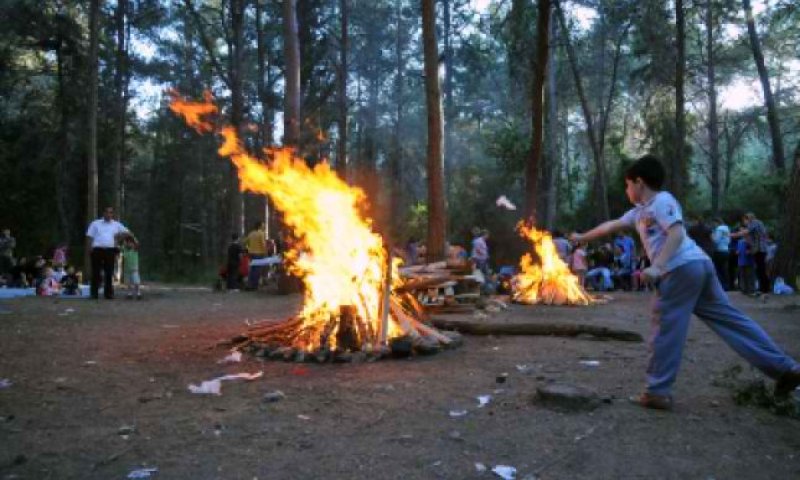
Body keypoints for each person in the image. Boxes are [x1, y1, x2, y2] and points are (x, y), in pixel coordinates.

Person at [570, 154, 800, 410]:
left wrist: (658, 266)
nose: (626, 190)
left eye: (627, 185)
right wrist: (582, 237)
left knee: (666, 327)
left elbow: (677, 234)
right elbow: (610, 226)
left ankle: (657, 391)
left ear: (639, 182)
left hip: (681, 269)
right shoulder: (638, 213)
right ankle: (785, 369)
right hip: (698, 267)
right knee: (731, 320)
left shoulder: (662, 200)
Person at [86, 206, 134, 300]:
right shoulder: (95, 223)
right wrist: (89, 248)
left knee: (109, 272)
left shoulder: (116, 224)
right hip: (97, 249)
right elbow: (89, 236)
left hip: (110, 250)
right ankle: (94, 294)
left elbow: (128, 233)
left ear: (113, 214)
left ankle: (108, 294)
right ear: (103, 213)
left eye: (111, 212)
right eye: (107, 212)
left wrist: (118, 239)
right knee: (96, 272)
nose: (109, 214)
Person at [732, 212, 770, 296]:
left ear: (748, 218)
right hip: (757, 249)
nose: (744, 222)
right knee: (760, 269)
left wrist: (733, 235)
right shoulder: (755, 224)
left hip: (760, 248)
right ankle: (763, 288)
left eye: (745, 220)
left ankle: (764, 289)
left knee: (761, 268)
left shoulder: (755, 222)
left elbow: (746, 232)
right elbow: (748, 235)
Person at [244, 221, 268, 290]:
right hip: (259, 254)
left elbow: (245, 242)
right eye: (263, 225)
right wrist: (265, 252)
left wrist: (248, 249)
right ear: (260, 226)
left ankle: (249, 284)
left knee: (252, 269)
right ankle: (254, 286)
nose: (264, 226)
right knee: (257, 270)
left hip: (251, 253)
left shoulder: (251, 233)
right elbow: (263, 244)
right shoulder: (261, 233)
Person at [710, 217, 731, 290]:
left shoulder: (719, 229)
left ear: (716, 222)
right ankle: (727, 285)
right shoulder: (727, 229)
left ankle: (721, 286)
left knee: (718, 269)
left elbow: (716, 240)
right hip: (726, 250)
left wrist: (711, 236)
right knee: (724, 269)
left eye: (713, 223)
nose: (713, 225)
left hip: (719, 251)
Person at [120, 235, 142, 300]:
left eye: (131, 242)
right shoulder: (124, 249)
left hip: (134, 268)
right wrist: (124, 240)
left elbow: (138, 244)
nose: (129, 244)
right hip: (127, 269)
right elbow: (120, 246)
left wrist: (132, 236)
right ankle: (129, 293)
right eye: (128, 242)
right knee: (128, 282)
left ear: (133, 243)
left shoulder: (135, 249)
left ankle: (138, 293)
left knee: (136, 281)